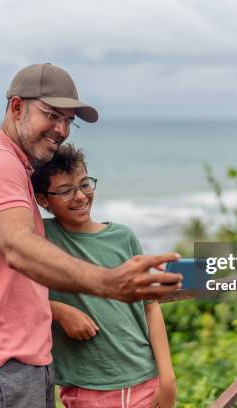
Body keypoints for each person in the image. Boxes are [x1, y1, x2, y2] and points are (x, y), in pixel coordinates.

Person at [0, 63, 182, 407]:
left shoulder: (17, 168)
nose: (61, 129)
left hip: (21, 366)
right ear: (17, 107)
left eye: (68, 120)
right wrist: (108, 283)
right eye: (51, 115)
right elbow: (18, 246)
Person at [32, 144, 176, 408]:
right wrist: (58, 310)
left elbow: (150, 307)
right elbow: (10, 289)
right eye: (65, 191)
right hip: (87, 391)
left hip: (146, 381)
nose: (79, 197)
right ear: (43, 200)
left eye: (84, 184)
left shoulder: (123, 237)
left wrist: (167, 379)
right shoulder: (40, 239)